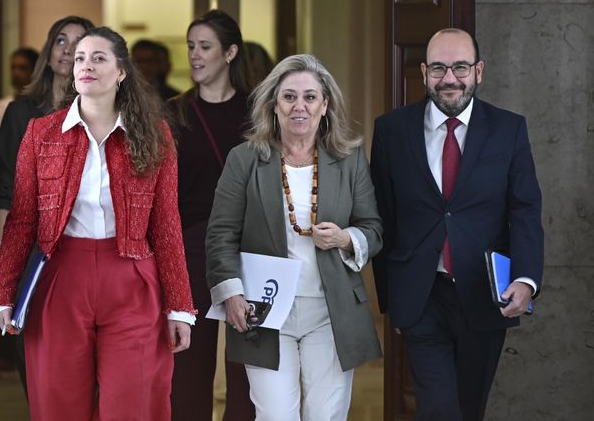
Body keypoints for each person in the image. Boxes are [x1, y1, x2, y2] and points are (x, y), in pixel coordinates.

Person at [0, 26, 196, 420]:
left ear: (121, 72)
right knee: (58, 401)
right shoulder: (41, 133)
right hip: (60, 275)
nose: (85, 65)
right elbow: (21, 221)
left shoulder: (154, 135)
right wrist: (3, 293)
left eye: (98, 58)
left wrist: (180, 307)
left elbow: (167, 224)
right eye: (81, 58)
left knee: (132, 402)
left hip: (132, 279)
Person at [370, 28, 544, 420]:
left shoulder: (509, 129)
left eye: (460, 67)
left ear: (478, 71)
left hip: (486, 297)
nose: (449, 78)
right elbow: (384, 217)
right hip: (421, 295)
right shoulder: (391, 131)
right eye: (438, 68)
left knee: (469, 409)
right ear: (423, 71)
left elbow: (525, 209)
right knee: (439, 409)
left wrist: (527, 278)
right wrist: (391, 302)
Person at [206, 54, 383, 420]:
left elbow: (373, 228)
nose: (298, 106)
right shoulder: (244, 159)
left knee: (326, 415)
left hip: (330, 311)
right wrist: (231, 293)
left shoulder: (348, 160)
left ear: (325, 105)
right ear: (273, 105)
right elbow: (221, 233)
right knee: (274, 415)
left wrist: (345, 238)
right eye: (288, 97)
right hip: (266, 311)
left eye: (309, 97)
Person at [0, 15, 93, 391]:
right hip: (30, 247)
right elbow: (7, 187)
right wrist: (7, 259)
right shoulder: (21, 113)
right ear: (49, 52)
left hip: (84, 244)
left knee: (82, 359)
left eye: (80, 43)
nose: (68, 51)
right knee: (34, 358)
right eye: (60, 41)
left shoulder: (101, 111)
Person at [166, 8, 256, 421]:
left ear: (230, 52)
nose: (195, 56)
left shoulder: (258, 113)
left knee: (246, 370)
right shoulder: (174, 113)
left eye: (205, 47)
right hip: (189, 248)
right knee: (188, 364)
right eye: (190, 47)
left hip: (248, 247)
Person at [0, 47, 39, 151]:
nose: (16, 72)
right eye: (13, 67)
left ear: (35, 71)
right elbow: (0, 145)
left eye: (22, 68)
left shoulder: (44, 106)